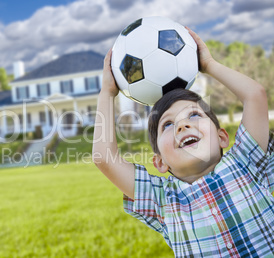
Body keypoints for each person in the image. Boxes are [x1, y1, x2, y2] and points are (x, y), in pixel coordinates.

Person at [92, 27, 274, 257]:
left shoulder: (245, 162)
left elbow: (255, 95)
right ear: (160, 163)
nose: (182, 125)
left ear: (221, 137)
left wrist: (209, 65)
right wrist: (107, 93)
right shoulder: (163, 200)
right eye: (167, 125)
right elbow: (103, 157)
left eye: (194, 115)